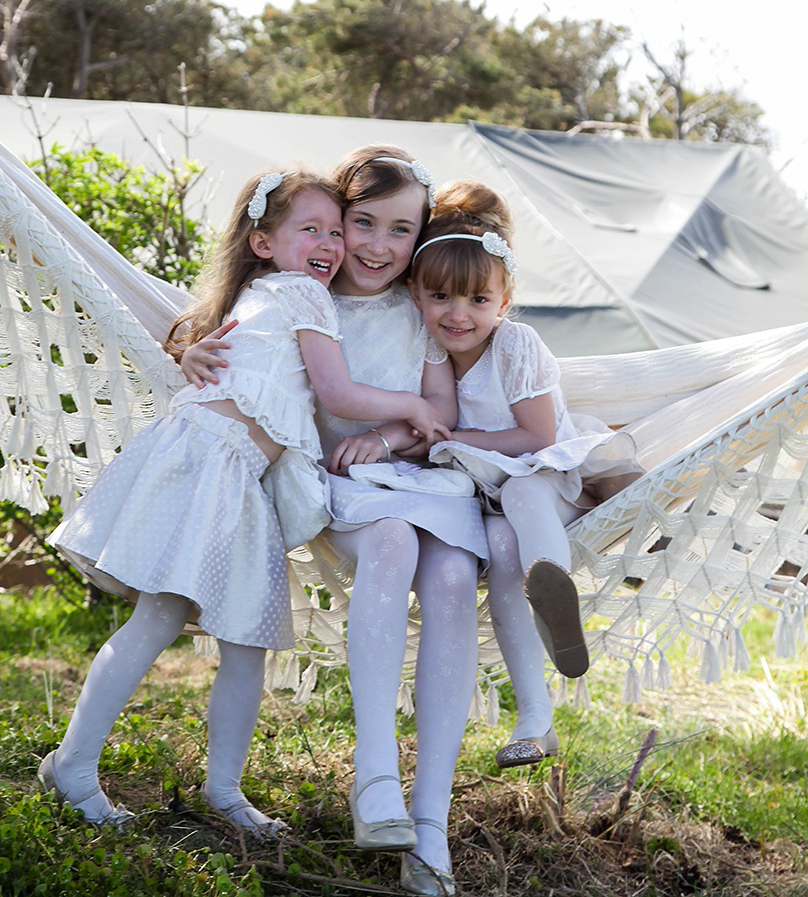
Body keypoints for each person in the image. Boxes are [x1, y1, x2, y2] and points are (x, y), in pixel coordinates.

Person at [41, 167, 450, 835]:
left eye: (330, 229)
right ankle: (74, 766)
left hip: (242, 480)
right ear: (263, 242)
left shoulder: (268, 292)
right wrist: (410, 404)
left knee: (245, 644)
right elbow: (338, 395)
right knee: (157, 620)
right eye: (308, 229)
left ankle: (225, 792)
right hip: (212, 462)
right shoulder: (304, 295)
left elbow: (230, 354)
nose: (328, 242)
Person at [185, 147, 489, 897]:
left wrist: (387, 438)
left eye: (401, 230)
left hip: (408, 478)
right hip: (334, 494)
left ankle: (431, 827)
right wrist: (191, 349)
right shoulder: (293, 290)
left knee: (452, 576)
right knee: (390, 542)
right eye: (363, 224)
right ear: (337, 220)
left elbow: (442, 413)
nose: (379, 247)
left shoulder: (416, 308)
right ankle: (376, 775)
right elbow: (213, 332)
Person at [409, 179, 642, 767]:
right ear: (416, 293)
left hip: (551, 476)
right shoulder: (429, 348)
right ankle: (536, 718)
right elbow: (435, 419)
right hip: (489, 498)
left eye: (477, 301)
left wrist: (458, 438)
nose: (458, 314)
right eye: (441, 297)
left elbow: (539, 439)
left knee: (525, 492)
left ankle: (553, 590)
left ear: (504, 301)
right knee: (501, 545)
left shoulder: (516, 345)